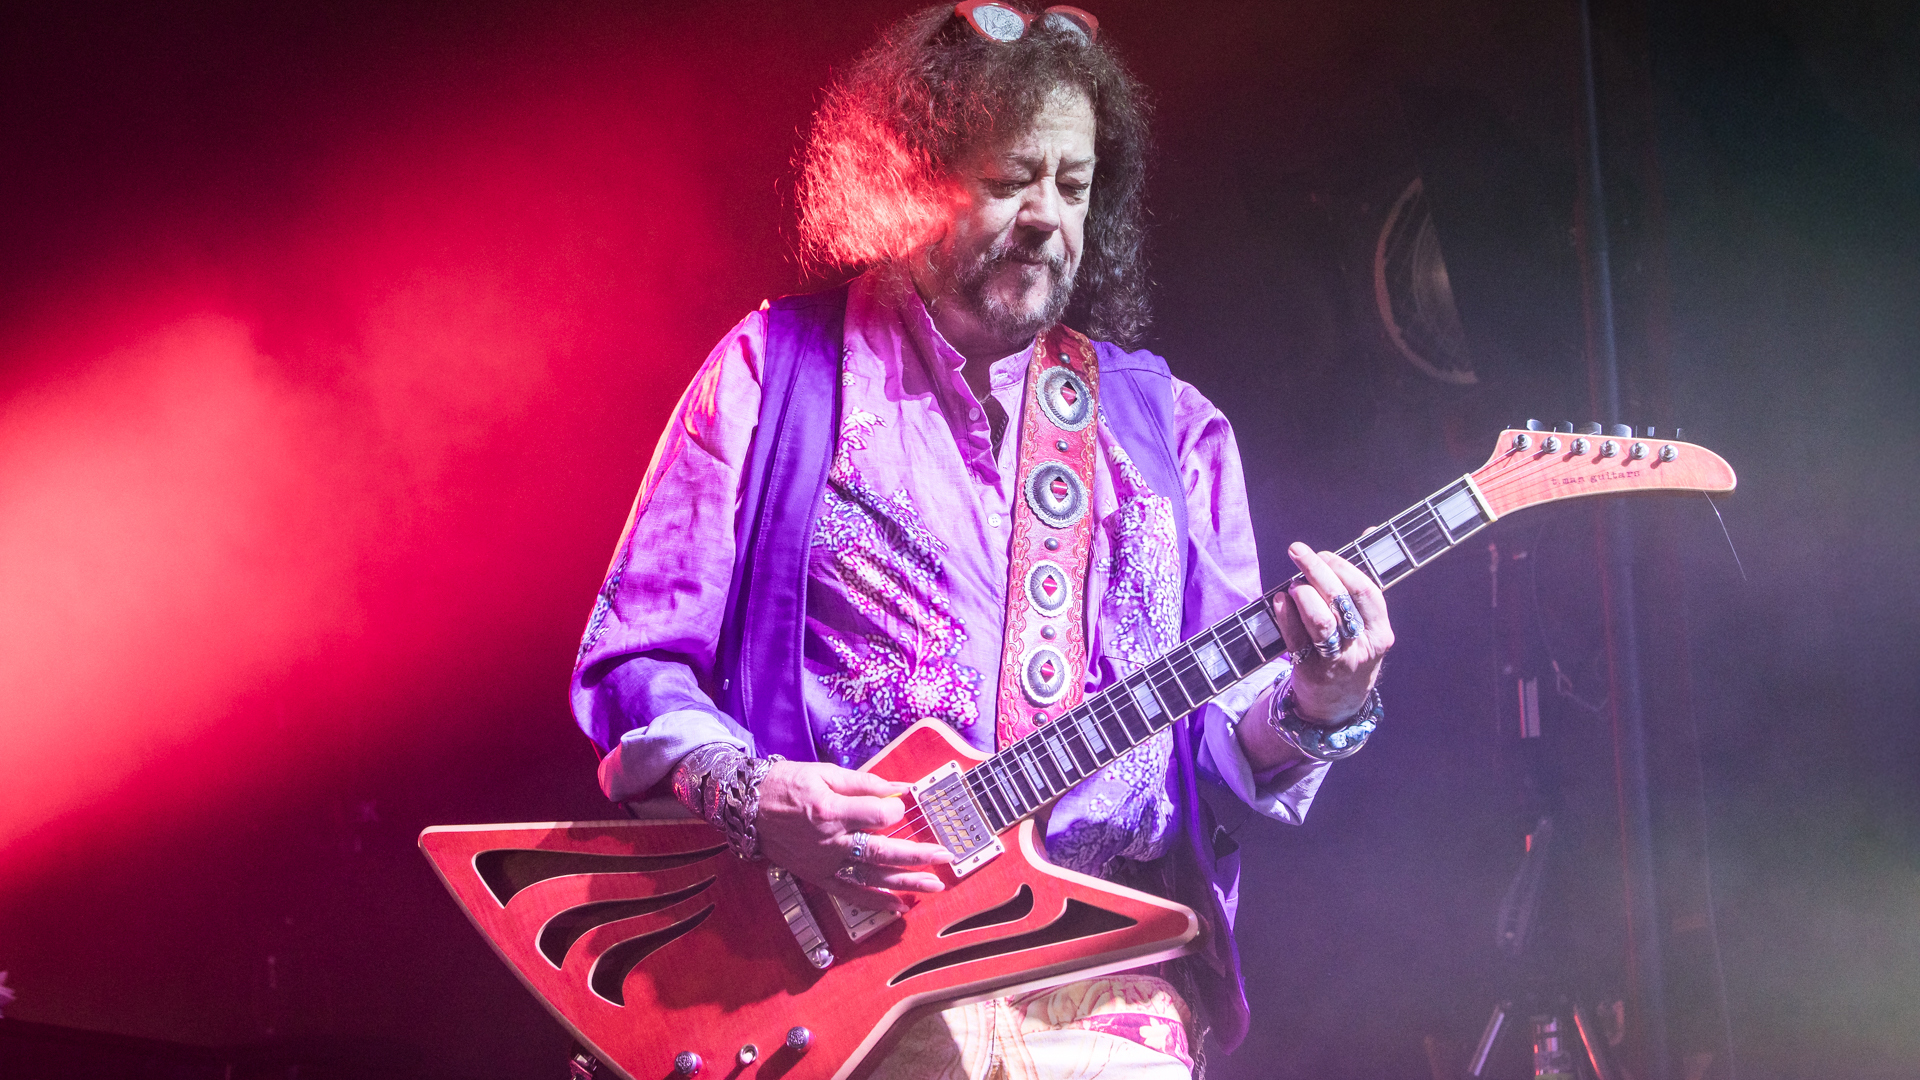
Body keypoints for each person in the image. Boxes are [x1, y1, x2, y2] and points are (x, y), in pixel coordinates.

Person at [570, 4, 1394, 1077]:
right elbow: (638, 661)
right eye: (1012, 179)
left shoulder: (1170, 429)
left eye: (1074, 184)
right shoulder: (775, 375)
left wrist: (1321, 705)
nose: (1049, 216)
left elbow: (1219, 751)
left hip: (1111, 989)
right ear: (910, 177)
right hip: (845, 988)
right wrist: (755, 797)